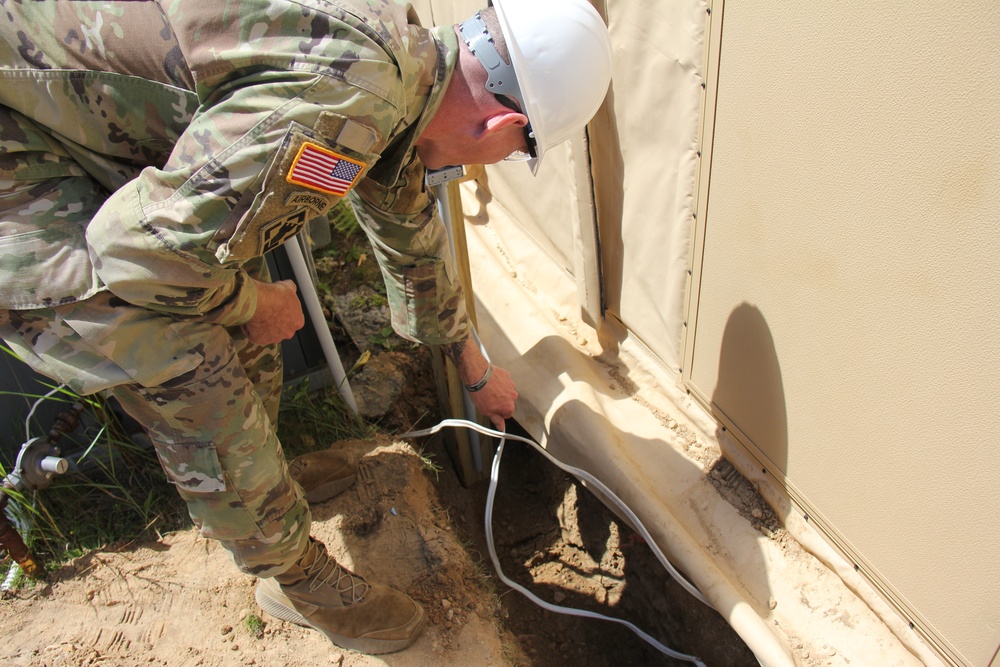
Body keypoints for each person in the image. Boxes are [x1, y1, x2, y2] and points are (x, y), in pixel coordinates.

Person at [0, 0, 612, 655]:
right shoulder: (349, 101)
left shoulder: (401, 63)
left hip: (81, 130)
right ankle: (292, 578)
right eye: (518, 152)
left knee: (231, 289)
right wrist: (249, 303)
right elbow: (131, 253)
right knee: (189, 348)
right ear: (502, 121)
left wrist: (475, 366)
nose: (496, 162)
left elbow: (410, 232)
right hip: (26, 158)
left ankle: (269, 492)